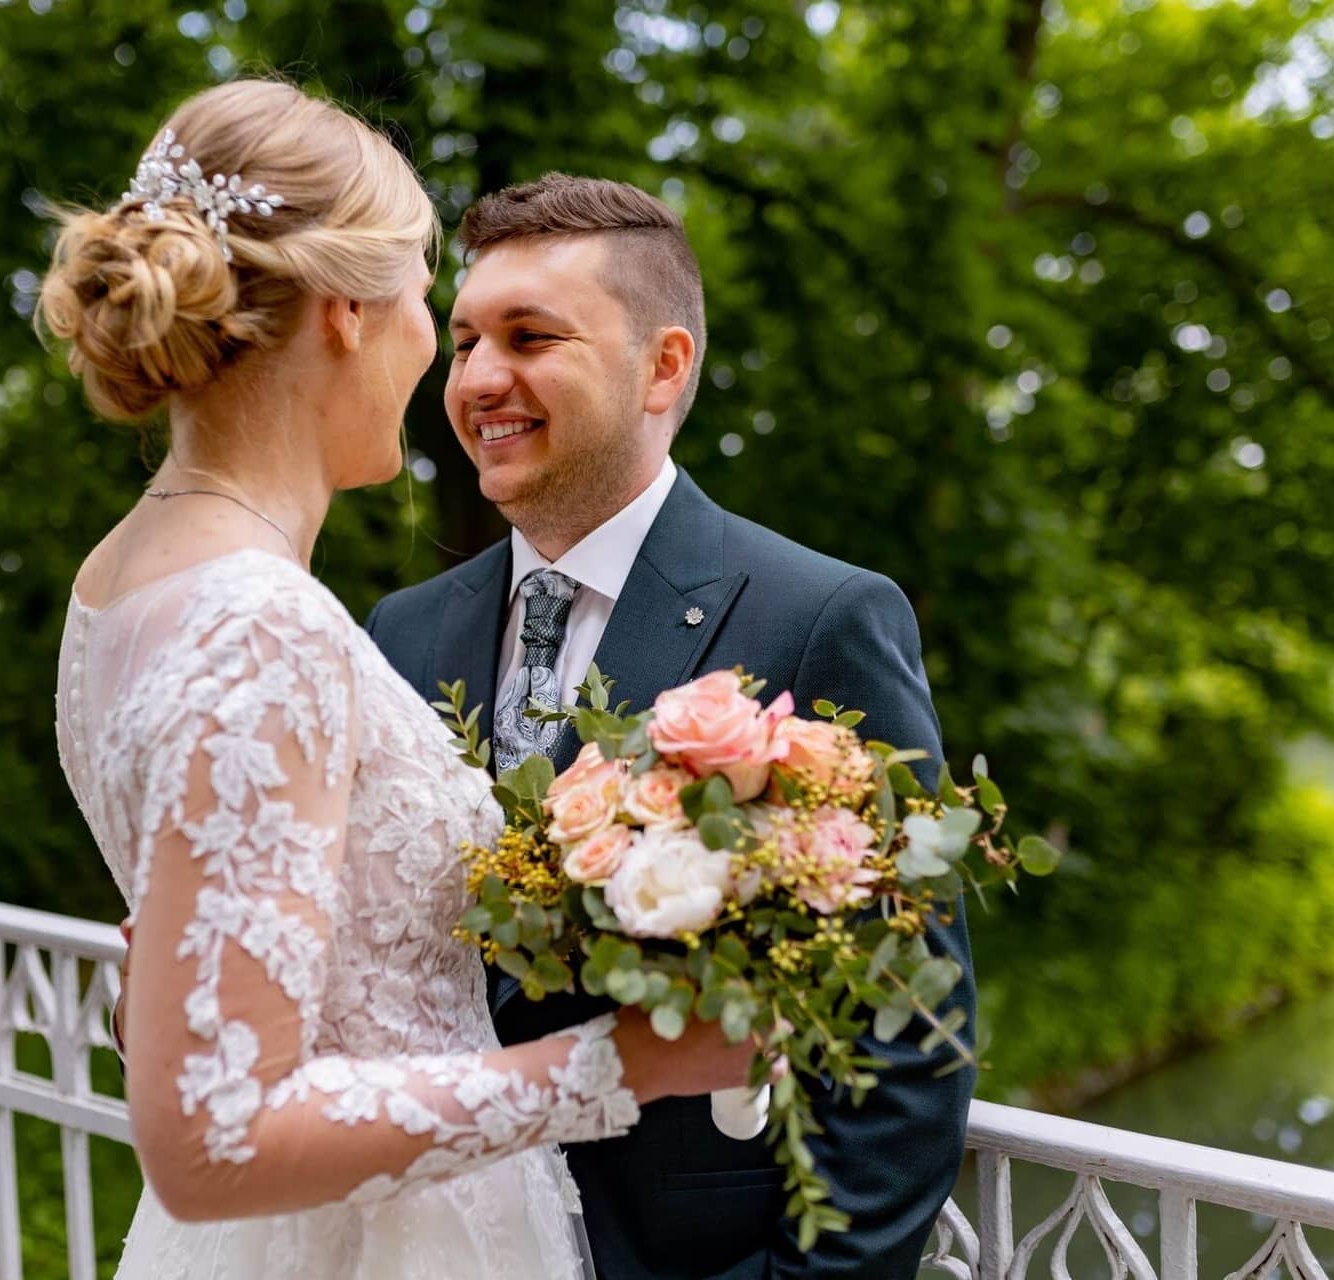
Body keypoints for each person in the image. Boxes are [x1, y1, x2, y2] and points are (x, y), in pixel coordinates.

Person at [44, 82, 754, 1280]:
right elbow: (213, 1138)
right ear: (343, 314)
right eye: (429, 304)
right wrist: (626, 1064)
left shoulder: (117, 579)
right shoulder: (264, 624)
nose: (443, 355)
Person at [365, 174, 976, 1279]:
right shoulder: (398, 633)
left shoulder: (819, 616)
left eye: (530, 335)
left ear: (664, 365)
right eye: (461, 341)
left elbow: (905, 1032)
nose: (480, 379)